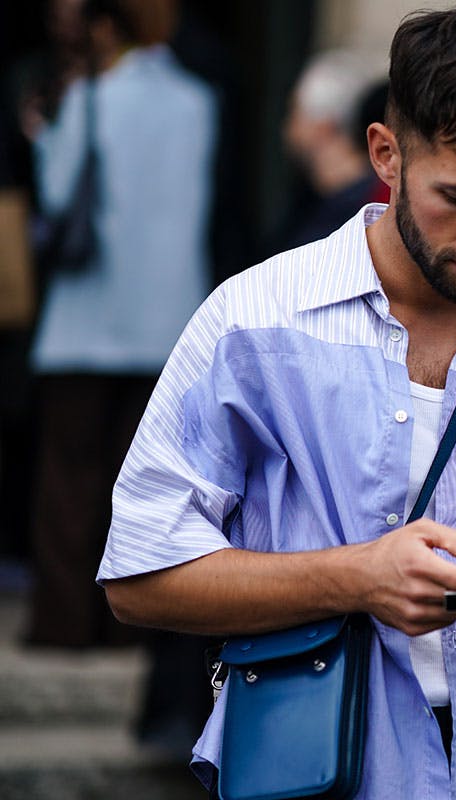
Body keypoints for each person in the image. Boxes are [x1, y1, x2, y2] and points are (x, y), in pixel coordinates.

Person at [96, 7, 456, 799]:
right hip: (305, 762)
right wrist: (357, 577)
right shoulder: (254, 321)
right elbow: (138, 579)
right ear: (386, 155)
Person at [23, 0, 217, 648]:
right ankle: (130, 628)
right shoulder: (197, 102)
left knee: (69, 479)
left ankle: (64, 623)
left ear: (108, 30)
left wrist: (41, 134)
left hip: (87, 317)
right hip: (169, 318)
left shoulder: (91, 98)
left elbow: (55, 194)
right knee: (144, 482)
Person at [267, 48, 387, 254]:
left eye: (294, 111)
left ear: (323, 126)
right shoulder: (317, 199)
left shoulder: (365, 209)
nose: (287, 128)